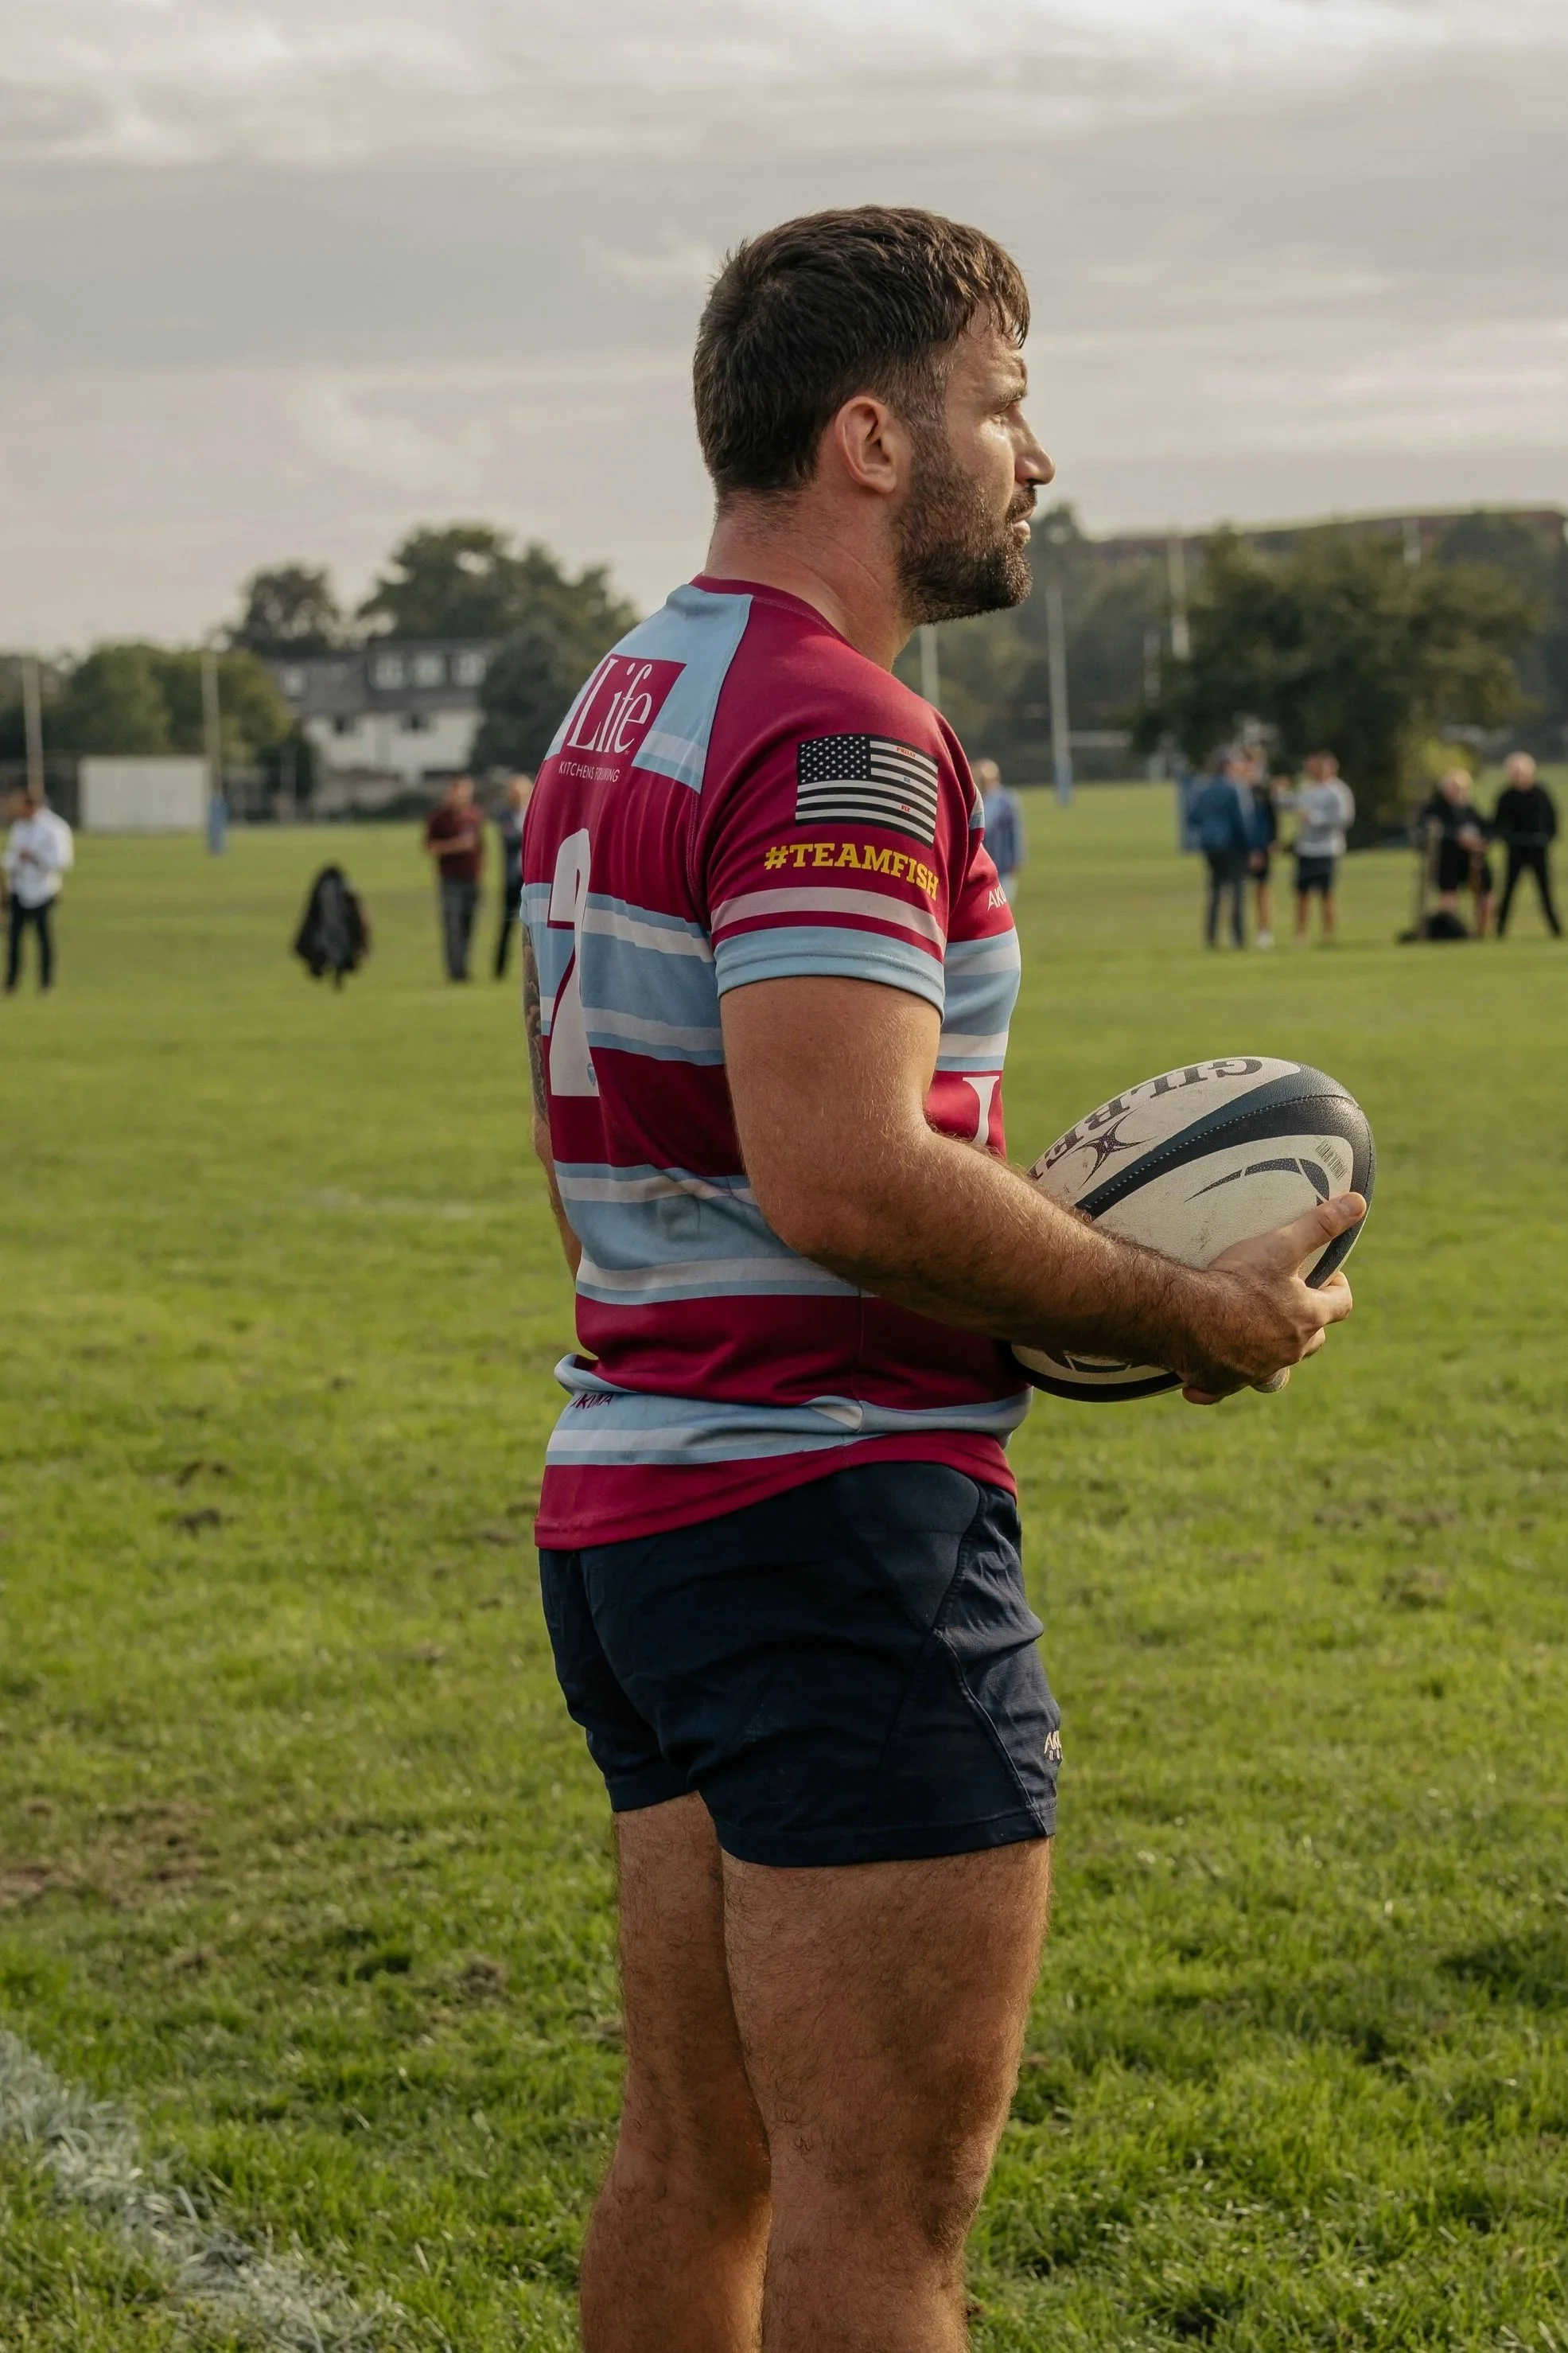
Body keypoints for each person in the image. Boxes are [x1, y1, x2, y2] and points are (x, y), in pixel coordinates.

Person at [519, 205, 1361, 2353]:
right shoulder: (842, 732)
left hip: (637, 1495)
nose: (1035, 455)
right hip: (823, 1526)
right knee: (878, 2207)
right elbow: (841, 1172)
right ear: (871, 437)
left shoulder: (626, 695)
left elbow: (652, 1153)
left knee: (693, 2157)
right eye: (1003, 407)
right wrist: (1180, 1306)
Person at [3, 786, 75, 994]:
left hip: (43, 889)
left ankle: (45, 984)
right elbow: (12, 856)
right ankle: (11, 984)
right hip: (19, 887)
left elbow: (63, 861)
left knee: (44, 939)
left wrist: (35, 858)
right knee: (13, 939)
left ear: (31, 805)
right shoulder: (19, 827)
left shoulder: (54, 828)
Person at [1278, 751, 1355, 942]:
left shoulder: (1338, 791)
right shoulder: (1306, 789)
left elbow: (1344, 818)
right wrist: (1281, 794)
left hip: (1327, 848)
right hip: (1305, 848)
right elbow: (1291, 805)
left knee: (1326, 893)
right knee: (1302, 894)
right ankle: (1301, 934)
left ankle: (1327, 934)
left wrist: (1315, 818)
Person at [422, 773, 484, 981]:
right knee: (453, 925)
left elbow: (480, 846)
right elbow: (430, 847)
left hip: (472, 877)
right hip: (450, 879)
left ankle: (464, 964)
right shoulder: (439, 818)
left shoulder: (474, 816)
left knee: (468, 923)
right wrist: (456, 845)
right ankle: (456, 971)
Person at [1492, 751, 1560, 938]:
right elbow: (1498, 824)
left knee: (1545, 892)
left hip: (1538, 851)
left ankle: (1556, 930)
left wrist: (1546, 838)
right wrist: (1509, 837)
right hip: (1516, 851)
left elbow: (1552, 821)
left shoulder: (1540, 795)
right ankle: (1500, 931)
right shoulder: (1506, 797)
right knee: (1508, 890)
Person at [1422, 766, 1495, 938]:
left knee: (1486, 897)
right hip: (1448, 861)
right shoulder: (1435, 809)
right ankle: (1448, 932)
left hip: (1473, 861)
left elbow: (1487, 830)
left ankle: (1480, 935)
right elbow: (1429, 833)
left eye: (1463, 788)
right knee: (1448, 899)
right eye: (1455, 788)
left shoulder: (1470, 810)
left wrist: (1480, 842)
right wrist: (1458, 839)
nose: (1460, 792)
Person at [1189, 750, 1251, 948]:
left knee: (1215, 891)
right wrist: (1249, 846)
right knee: (1237, 892)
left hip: (1210, 846)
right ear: (1229, 767)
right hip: (1232, 845)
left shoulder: (1203, 789)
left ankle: (1211, 936)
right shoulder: (1235, 789)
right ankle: (1237, 937)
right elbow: (1242, 820)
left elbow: (1192, 817)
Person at [492, 772, 533, 979]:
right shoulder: (505, 814)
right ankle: (499, 969)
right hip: (513, 876)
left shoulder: (534, 810)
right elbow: (508, 838)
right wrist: (528, 835)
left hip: (531, 877)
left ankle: (534, 969)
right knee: (506, 922)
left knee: (533, 925)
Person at [974, 757, 1025, 901]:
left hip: (1003, 862)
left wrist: (1017, 858)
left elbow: (1015, 831)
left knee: (1003, 901)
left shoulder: (1006, 801)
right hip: (982, 862)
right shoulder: (976, 799)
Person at [1247, 759, 1282, 949]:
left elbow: (1272, 820)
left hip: (1260, 849)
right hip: (1239, 849)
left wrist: (1269, 843)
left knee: (1262, 889)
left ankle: (1264, 930)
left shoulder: (1263, 793)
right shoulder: (1236, 790)